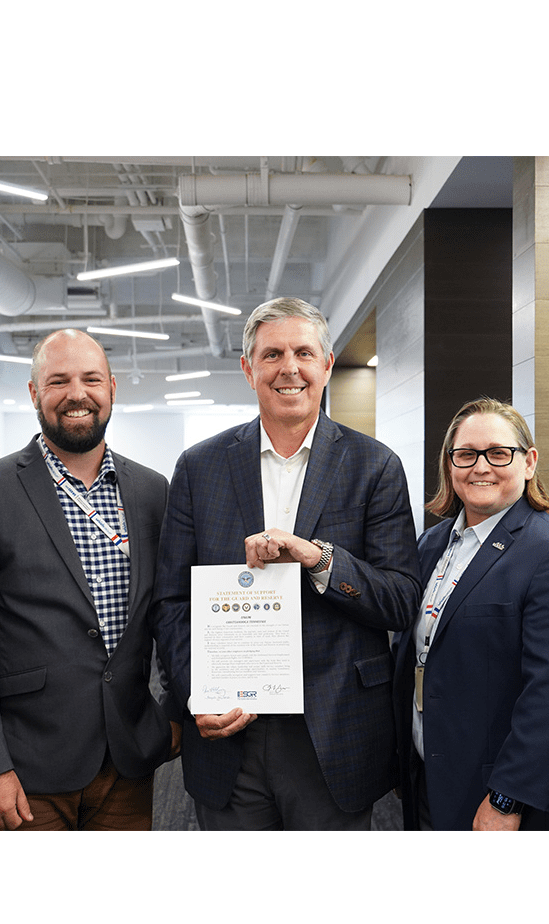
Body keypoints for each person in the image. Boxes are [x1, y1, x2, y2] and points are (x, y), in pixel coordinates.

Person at [151, 297, 421, 830]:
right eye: (272, 354)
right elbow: (171, 602)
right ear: (249, 368)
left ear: (326, 363)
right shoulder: (198, 467)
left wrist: (320, 559)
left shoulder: (375, 465)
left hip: (335, 729)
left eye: (303, 352)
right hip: (231, 732)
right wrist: (195, 694)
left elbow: (401, 597)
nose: (289, 368)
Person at [0, 329, 175, 831]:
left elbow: (170, 614)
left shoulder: (152, 491)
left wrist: (176, 712)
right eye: (58, 381)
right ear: (34, 394)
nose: (78, 393)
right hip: (27, 767)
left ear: (112, 388)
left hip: (128, 760)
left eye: (91, 379)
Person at [394, 397, 549, 831]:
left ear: (528, 463)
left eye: (498, 453)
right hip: (433, 778)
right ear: (450, 465)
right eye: (466, 455)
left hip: (503, 797)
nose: (480, 467)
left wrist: (507, 799)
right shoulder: (431, 545)